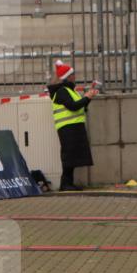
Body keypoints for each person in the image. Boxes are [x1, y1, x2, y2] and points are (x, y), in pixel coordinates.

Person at [48, 59, 96, 191]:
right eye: (73, 74)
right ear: (67, 77)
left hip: (73, 126)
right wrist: (86, 98)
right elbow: (73, 106)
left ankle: (68, 183)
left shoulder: (70, 90)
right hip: (67, 127)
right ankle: (66, 184)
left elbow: (80, 107)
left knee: (73, 156)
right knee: (69, 156)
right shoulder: (62, 91)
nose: (75, 76)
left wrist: (88, 98)